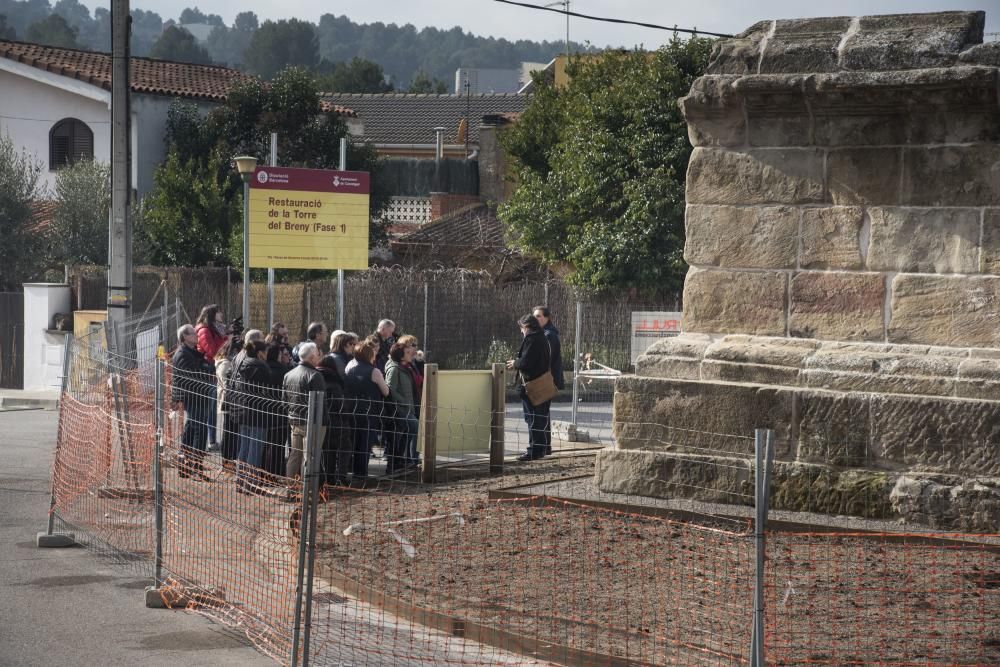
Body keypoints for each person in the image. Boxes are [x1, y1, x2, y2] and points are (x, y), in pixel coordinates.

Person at [232, 339, 279, 494]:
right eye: (265, 351)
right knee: (255, 448)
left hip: (243, 410)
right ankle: (252, 485)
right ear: (260, 352)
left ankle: (240, 481)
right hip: (258, 412)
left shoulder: (242, 363)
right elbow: (269, 388)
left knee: (244, 446)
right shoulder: (261, 367)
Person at [171, 324, 216, 480]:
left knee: (191, 429)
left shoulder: (193, 352)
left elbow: (204, 368)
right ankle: (196, 466)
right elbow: (194, 377)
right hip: (194, 397)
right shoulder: (182, 355)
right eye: (194, 333)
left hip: (200, 396)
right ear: (185, 337)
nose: (197, 335)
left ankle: (185, 465)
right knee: (200, 431)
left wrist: (206, 365)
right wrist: (207, 368)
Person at [507, 314, 552, 461]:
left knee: (532, 418)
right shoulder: (543, 338)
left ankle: (534, 450)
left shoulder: (532, 339)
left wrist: (515, 363)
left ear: (527, 326)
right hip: (542, 383)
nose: (521, 331)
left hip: (532, 385)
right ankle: (541, 449)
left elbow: (526, 362)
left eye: (521, 328)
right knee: (539, 418)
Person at [345, 336, 390, 479]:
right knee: (365, 443)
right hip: (369, 411)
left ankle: (349, 471)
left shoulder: (349, 368)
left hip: (352, 409)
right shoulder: (374, 371)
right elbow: (386, 391)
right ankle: (361, 473)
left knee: (353, 441)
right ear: (369, 355)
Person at [283, 341, 327, 484]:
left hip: (294, 420)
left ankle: (291, 488)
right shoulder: (315, 376)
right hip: (312, 423)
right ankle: (306, 491)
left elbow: (284, 401)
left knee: (295, 455)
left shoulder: (288, 374)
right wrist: (325, 422)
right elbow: (321, 403)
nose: (319, 357)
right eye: (318, 355)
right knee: (310, 457)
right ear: (313, 357)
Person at [195, 304, 229, 448]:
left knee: (211, 409)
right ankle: (209, 441)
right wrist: (227, 340)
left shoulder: (213, 329)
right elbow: (213, 351)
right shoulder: (204, 331)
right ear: (212, 314)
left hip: (211, 370)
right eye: (218, 312)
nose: (221, 314)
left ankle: (212, 440)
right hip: (206, 372)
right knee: (207, 409)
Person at [384, 340, 420, 473]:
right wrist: (403, 401)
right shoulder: (394, 369)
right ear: (400, 356)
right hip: (400, 409)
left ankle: (403, 460)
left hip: (408, 407)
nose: (410, 353)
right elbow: (390, 389)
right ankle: (409, 460)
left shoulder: (406, 367)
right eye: (407, 352)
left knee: (406, 433)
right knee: (415, 427)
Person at [317, 354, 352, 486]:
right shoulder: (335, 382)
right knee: (344, 447)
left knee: (327, 451)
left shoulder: (316, 378)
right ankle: (341, 475)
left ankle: (328, 478)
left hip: (321, 421)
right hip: (337, 421)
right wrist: (346, 417)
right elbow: (340, 405)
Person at [533, 305, 564, 455]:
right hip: (545, 378)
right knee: (543, 412)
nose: (536, 318)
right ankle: (546, 447)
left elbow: (546, 358)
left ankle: (544, 447)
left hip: (547, 379)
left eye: (539, 316)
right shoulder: (543, 333)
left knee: (542, 412)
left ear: (547, 318)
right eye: (535, 316)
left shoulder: (549, 335)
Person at [263, 342, 292, 481]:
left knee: (267, 443)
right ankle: (275, 473)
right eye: (282, 354)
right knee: (278, 445)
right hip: (280, 412)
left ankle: (265, 472)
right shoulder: (283, 371)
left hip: (265, 410)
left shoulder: (264, 367)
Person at [214, 337, 241, 469]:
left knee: (232, 432)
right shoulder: (225, 364)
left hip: (231, 401)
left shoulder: (228, 362)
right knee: (229, 432)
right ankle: (226, 461)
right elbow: (226, 385)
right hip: (228, 402)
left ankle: (230, 459)